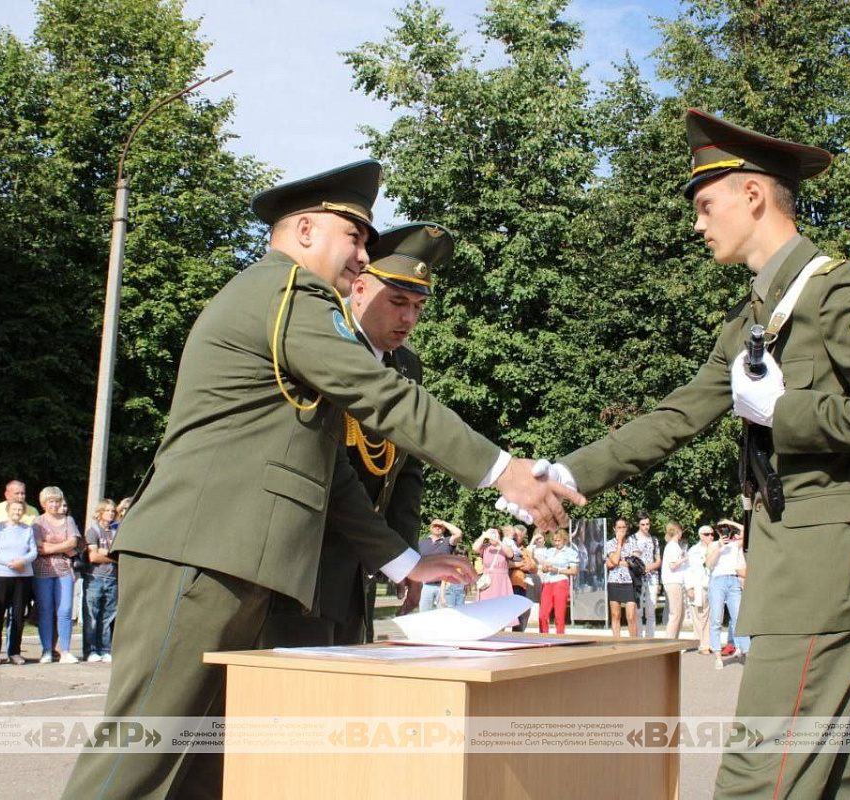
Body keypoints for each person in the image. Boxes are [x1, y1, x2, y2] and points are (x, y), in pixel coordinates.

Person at [63, 160, 582, 799]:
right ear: (306, 230)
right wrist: (504, 471)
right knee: (141, 755)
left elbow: (327, 461)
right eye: (355, 237)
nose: (363, 256)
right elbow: (381, 397)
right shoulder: (289, 292)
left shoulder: (286, 298)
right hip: (201, 549)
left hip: (230, 555)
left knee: (205, 764)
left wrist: (403, 559)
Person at [502, 110, 850, 797]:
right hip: (806, 570)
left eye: (706, 205)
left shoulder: (838, 290)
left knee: (755, 779)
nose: (697, 224)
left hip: (821, 578)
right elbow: (678, 415)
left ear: (754, 195)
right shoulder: (749, 317)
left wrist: (785, 412)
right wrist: (567, 472)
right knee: (848, 780)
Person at [262, 222, 454, 647]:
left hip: (360, 567)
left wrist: (407, 558)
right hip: (304, 566)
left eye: (418, 307)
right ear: (361, 289)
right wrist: (398, 558)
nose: (409, 318)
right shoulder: (326, 345)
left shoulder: (406, 365)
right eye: (398, 302)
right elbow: (324, 467)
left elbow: (405, 471)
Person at [32, 486, 80, 664]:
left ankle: (65, 650)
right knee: (45, 610)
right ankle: (46, 650)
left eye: (57, 501)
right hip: (42, 570)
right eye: (50, 501)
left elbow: (73, 543)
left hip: (64, 570)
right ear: (44, 503)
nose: (54, 504)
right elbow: (39, 547)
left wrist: (51, 547)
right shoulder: (38, 522)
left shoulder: (68, 520)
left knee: (65, 610)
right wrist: (63, 546)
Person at [0, 500, 37, 664]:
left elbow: (33, 551)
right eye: (14, 509)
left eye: (20, 509)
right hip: (2, 575)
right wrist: (11, 563)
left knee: (17, 615)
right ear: (8, 510)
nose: (17, 512)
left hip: (23, 575)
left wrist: (22, 562)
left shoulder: (27, 529)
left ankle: (14, 651)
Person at [707, 520, 749, 669]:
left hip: (733, 580)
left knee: (738, 618)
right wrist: (719, 546)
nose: (724, 532)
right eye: (721, 529)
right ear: (718, 531)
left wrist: (730, 522)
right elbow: (709, 564)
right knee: (716, 619)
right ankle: (718, 656)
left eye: (727, 529)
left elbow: (747, 531)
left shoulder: (735, 544)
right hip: (717, 581)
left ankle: (746, 650)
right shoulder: (713, 545)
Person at [82, 499, 119, 662]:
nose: (111, 513)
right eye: (107, 510)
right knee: (92, 614)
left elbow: (119, 554)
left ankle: (104, 649)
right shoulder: (93, 531)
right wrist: (112, 557)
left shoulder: (116, 532)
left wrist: (107, 553)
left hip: (113, 578)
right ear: (100, 512)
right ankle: (90, 650)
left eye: (113, 511)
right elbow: (94, 556)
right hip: (95, 577)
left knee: (108, 615)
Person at [536, 529, 578, 633]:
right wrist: (545, 568)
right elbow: (544, 568)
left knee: (559, 615)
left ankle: (560, 636)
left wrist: (558, 570)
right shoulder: (549, 551)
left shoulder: (570, 552)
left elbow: (574, 570)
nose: (556, 543)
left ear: (564, 540)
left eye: (559, 540)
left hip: (561, 582)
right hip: (548, 582)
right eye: (555, 540)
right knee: (542, 615)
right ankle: (543, 637)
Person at [418, 520, 464, 612]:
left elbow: (458, 533)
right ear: (430, 527)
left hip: (444, 586)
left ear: (444, 528)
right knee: (424, 615)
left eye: (440, 526)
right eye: (435, 525)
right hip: (426, 585)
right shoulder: (422, 543)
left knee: (443, 616)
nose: (438, 527)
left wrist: (443, 522)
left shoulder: (448, 541)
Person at [604, 517, 638, 637]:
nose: (621, 530)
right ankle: (617, 641)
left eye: (624, 527)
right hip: (614, 581)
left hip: (630, 582)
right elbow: (613, 560)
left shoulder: (632, 542)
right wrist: (619, 544)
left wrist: (616, 562)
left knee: (631, 616)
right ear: (614, 529)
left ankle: (633, 642)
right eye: (619, 527)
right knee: (615, 615)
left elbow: (635, 562)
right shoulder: (609, 543)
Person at [632, 511, 662, 638]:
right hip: (638, 578)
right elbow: (632, 559)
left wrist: (650, 567)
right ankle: (639, 638)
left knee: (651, 610)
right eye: (643, 524)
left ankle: (650, 638)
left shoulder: (654, 540)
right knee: (638, 611)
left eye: (647, 524)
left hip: (652, 577)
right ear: (638, 524)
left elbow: (658, 560)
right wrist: (641, 568)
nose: (646, 527)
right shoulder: (633, 539)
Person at [685, 525, 714, 654]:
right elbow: (688, 570)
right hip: (698, 586)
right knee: (698, 616)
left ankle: (707, 643)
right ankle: (701, 643)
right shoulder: (694, 550)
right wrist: (689, 587)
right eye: (707, 534)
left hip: (711, 586)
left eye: (712, 534)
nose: (710, 537)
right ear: (701, 536)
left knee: (709, 616)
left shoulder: (715, 548)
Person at [661, 520, 688, 639]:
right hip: (673, 582)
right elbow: (672, 566)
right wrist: (683, 559)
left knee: (680, 613)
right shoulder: (672, 546)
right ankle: (670, 640)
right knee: (675, 613)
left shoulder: (674, 546)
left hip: (676, 581)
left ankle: (674, 639)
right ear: (678, 531)